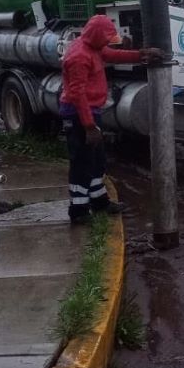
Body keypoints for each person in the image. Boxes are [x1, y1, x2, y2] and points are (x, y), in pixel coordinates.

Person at [59, 14, 163, 223]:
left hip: (90, 112)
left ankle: (99, 201)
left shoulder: (91, 47)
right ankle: (78, 210)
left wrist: (140, 55)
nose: (108, 41)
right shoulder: (79, 56)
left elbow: (113, 55)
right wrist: (88, 126)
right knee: (81, 162)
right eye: (105, 37)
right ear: (97, 35)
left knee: (97, 160)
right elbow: (78, 95)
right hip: (79, 115)